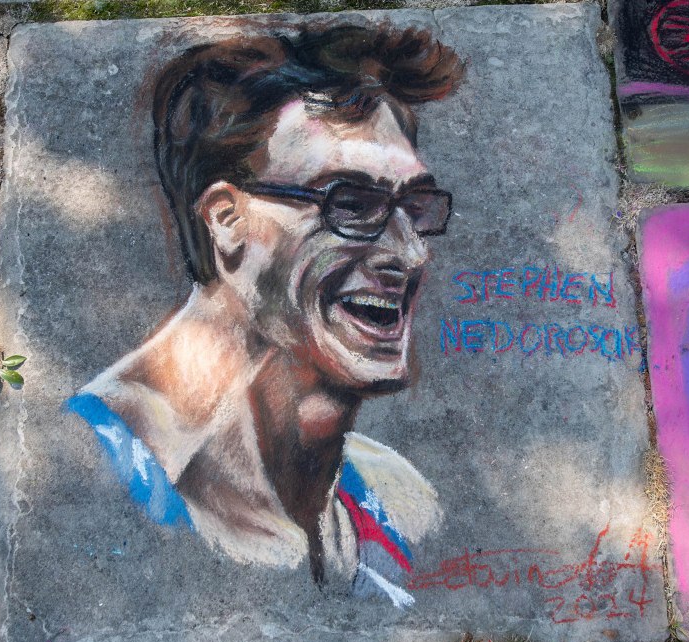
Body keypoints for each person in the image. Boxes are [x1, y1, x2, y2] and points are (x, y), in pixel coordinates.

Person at [68, 21, 464, 607]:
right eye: (350, 204)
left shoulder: (394, 498)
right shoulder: (96, 469)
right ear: (227, 222)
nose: (410, 254)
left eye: (415, 206)